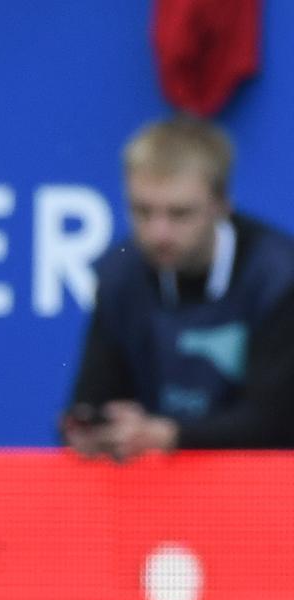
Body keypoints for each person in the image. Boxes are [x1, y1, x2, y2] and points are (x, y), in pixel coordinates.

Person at [62, 115, 294, 460]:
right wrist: (90, 431)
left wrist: (168, 435)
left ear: (221, 204)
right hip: (155, 493)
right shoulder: (119, 275)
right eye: (143, 211)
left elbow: (276, 422)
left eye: (180, 213)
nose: (159, 234)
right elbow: (92, 398)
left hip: (262, 490)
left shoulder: (278, 276)